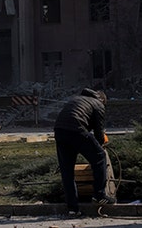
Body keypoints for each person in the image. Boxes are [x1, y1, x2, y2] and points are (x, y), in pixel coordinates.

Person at [53, 87, 113, 216]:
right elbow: (98, 132)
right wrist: (101, 144)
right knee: (100, 157)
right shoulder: (99, 104)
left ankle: (72, 208)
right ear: (103, 100)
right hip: (77, 129)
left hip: (60, 130)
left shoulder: (77, 99)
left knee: (67, 171)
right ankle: (99, 195)